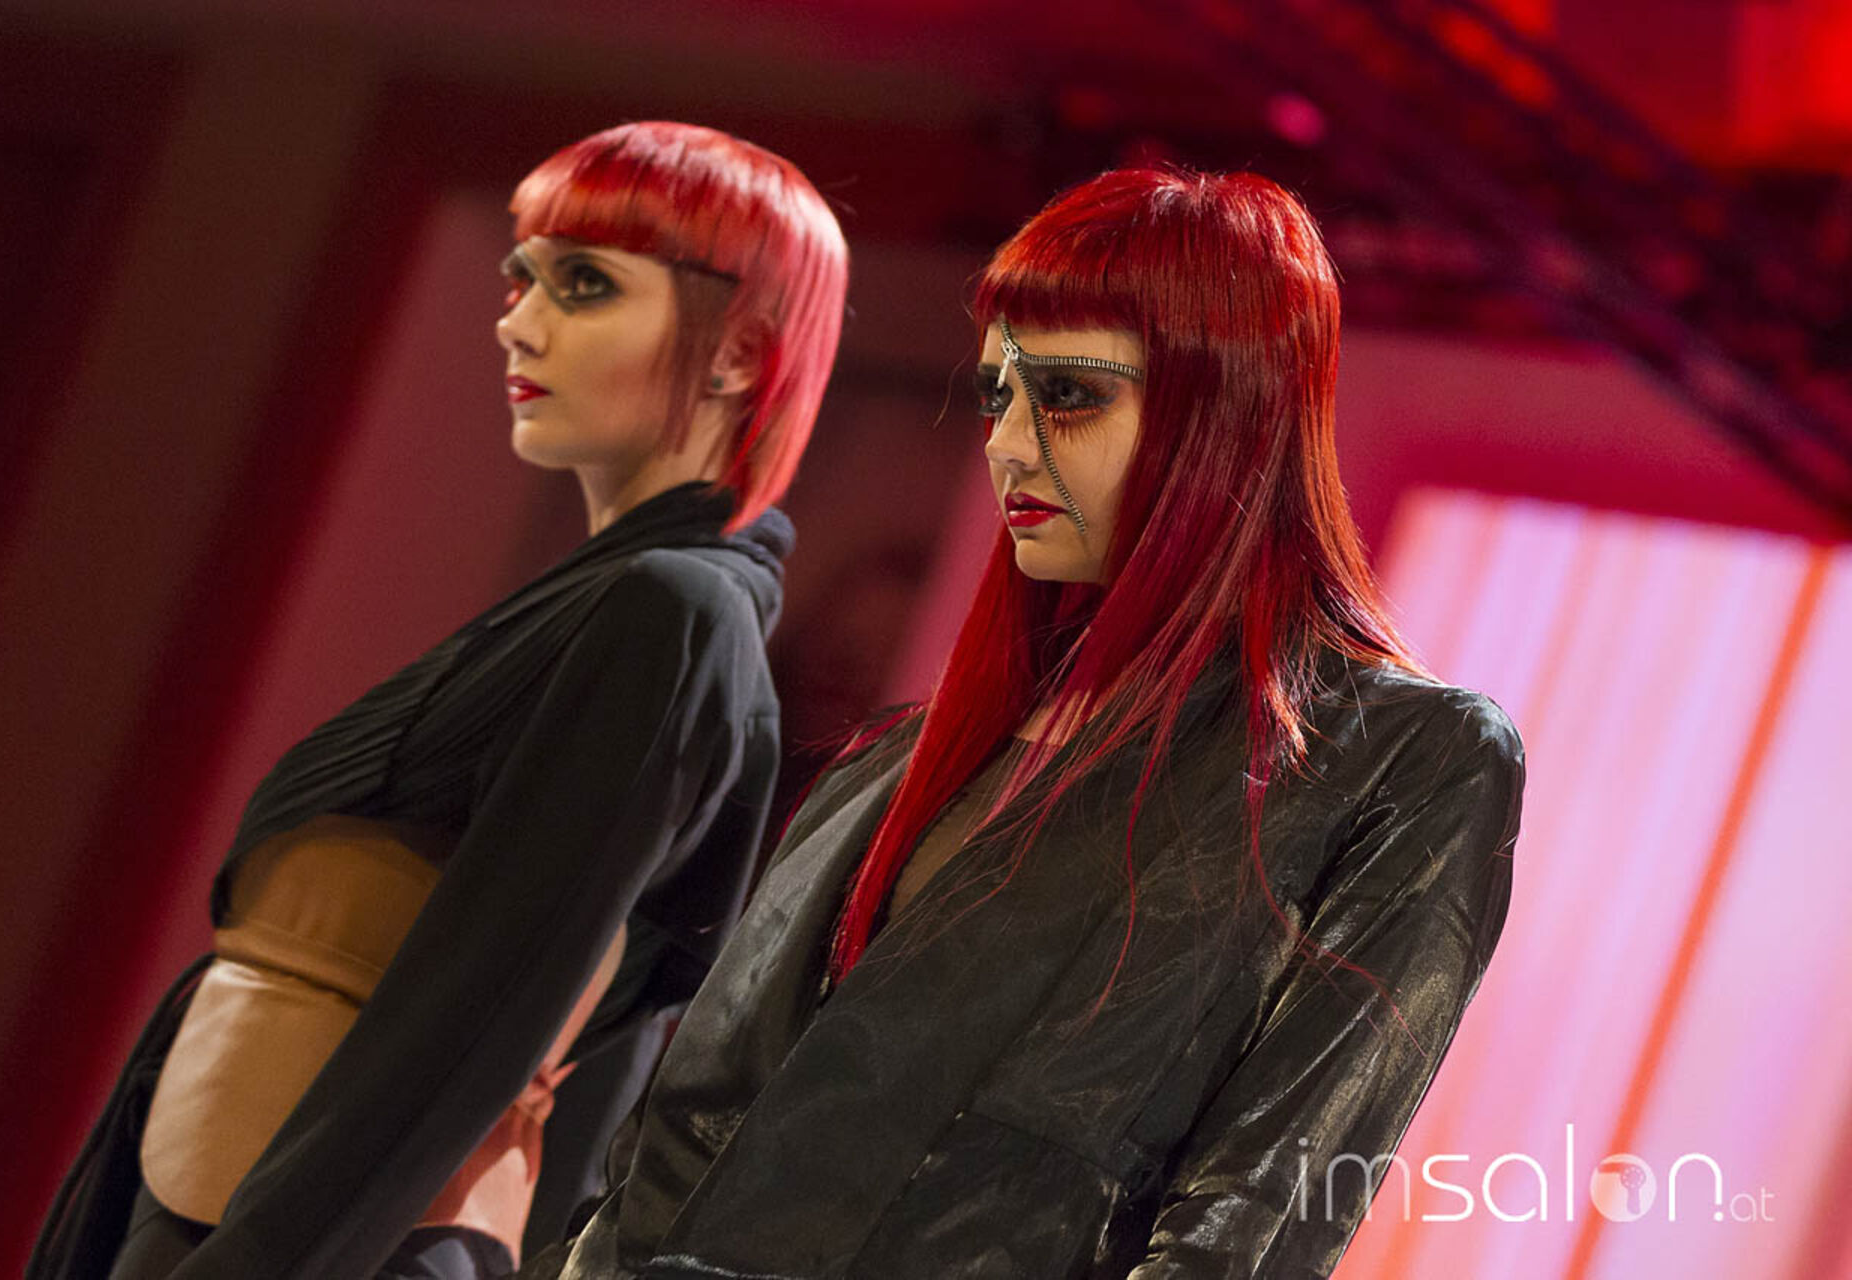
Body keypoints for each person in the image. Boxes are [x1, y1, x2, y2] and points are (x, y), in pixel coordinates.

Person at [542, 167, 1524, 1279]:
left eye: (1067, 395)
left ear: (1227, 409)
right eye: (997, 395)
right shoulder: (890, 767)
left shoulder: (1399, 762)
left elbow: (1256, 1220)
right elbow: (665, 1156)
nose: (1007, 443)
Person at [29, 120, 848, 1280]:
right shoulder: (634, 604)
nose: (517, 318)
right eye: (521, 276)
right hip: (248, 1180)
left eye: (583, 283)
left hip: (311, 1227)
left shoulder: (671, 611)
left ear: (738, 352)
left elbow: (495, 1004)